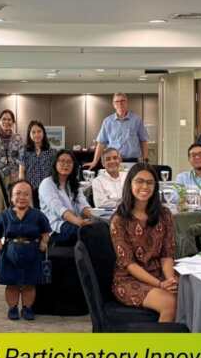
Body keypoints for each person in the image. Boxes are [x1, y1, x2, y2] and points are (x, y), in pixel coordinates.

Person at [110, 164, 178, 322]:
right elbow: (129, 264)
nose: (145, 186)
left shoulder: (164, 214)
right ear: (130, 184)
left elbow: (167, 254)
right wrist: (160, 284)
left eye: (150, 182)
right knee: (170, 303)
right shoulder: (119, 220)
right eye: (139, 181)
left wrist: (170, 281)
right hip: (129, 279)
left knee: (191, 291)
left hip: (160, 273)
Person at [0, 180, 50, 321]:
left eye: (26, 194)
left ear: (31, 197)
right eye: (18, 193)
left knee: (29, 283)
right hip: (10, 253)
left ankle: (27, 308)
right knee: (12, 283)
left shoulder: (38, 215)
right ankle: (12, 308)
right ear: (11, 197)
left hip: (32, 253)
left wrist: (44, 242)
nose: (22, 197)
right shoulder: (4, 215)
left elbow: (46, 232)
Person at [39, 150, 95, 245]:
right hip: (55, 226)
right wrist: (80, 222)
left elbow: (83, 205)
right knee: (85, 232)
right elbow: (59, 209)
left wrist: (95, 218)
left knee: (100, 228)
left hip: (74, 222)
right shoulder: (47, 183)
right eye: (62, 161)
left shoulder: (73, 184)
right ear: (55, 164)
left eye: (69, 162)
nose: (66, 165)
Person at [88, 93, 148, 169]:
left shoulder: (137, 120)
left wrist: (145, 160)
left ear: (127, 102)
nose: (120, 103)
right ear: (114, 104)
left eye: (122, 101)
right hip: (113, 161)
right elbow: (101, 143)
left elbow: (143, 141)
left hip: (133, 162)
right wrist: (95, 161)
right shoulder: (107, 121)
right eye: (117, 101)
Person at [19, 120, 57, 201]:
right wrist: (23, 189)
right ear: (29, 134)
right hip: (30, 190)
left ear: (43, 133)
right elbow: (21, 172)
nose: (36, 134)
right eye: (33, 132)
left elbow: (54, 172)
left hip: (47, 190)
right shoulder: (24, 151)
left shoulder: (52, 152)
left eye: (39, 131)